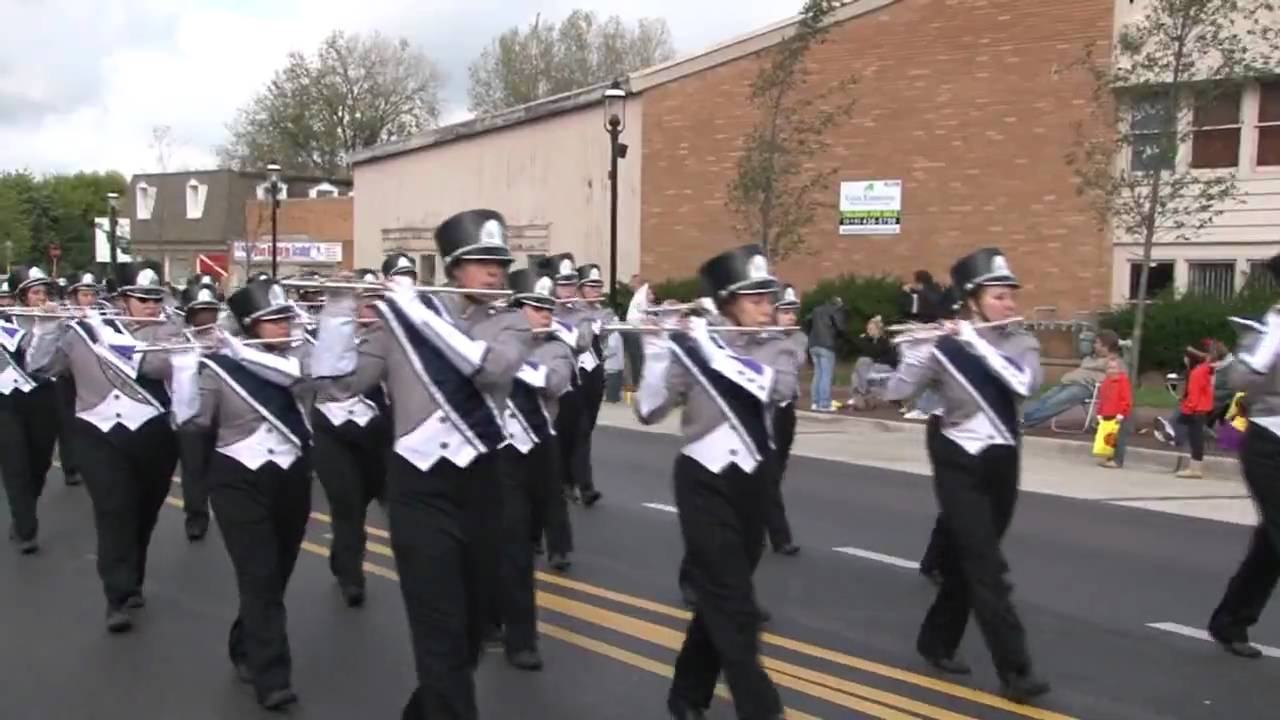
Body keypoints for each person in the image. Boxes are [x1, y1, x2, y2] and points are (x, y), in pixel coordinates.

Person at [309, 209, 531, 720]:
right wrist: (341, 310)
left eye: (499, 262)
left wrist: (416, 313)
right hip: (418, 488)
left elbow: (492, 371)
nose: (495, 272)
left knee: (473, 630)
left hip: (482, 483)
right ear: (454, 269)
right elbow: (339, 382)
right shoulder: (397, 322)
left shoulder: (511, 322)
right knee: (440, 628)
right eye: (480, 262)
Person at [635, 244, 794, 720]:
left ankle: (686, 694)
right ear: (728, 303)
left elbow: (779, 389)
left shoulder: (780, 344)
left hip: (753, 479)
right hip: (702, 480)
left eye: (770, 296)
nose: (768, 306)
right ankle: (761, 708)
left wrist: (709, 346)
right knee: (733, 602)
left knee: (721, 597)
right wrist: (658, 349)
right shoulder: (692, 344)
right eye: (756, 298)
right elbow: (648, 409)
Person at [884, 247, 1050, 703]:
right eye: (999, 297)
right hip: (955, 451)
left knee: (971, 557)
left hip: (1001, 454)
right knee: (986, 564)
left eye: (1011, 296)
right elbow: (899, 393)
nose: (1010, 305)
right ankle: (1016, 671)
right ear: (973, 301)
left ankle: (935, 641)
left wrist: (974, 343)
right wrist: (916, 355)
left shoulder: (1020, 342)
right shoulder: (946, 344)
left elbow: (1025, 384)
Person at [173, 279, 313, 711]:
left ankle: (244, 639)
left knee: (276, 575)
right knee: (259, 574)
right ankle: (273, 678)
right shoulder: (219, 368)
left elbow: (318, 386)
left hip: (291, 475)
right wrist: (184, 373)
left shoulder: (303, 358)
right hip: (238, 478)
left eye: (285, 317)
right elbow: (194, 423)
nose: (284, 325)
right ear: (252, 326)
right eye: (273, 320)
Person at [26, 262, 183, 631]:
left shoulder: (172, 331)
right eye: (141, 299)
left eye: (154, 299)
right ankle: (116, 595)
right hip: (98, 435)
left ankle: (134, 577)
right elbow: (40, 366)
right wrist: (48, 326)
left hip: (155, 435)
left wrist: (138, 340)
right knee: (115, 510)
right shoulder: (83, 332)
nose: (150, 305)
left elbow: (161, 367)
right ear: (122, 300)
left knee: (144, 514)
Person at [491, 268, 576, 670]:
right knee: (506, 546)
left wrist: (508, 358)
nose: (546, 315)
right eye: (536, 308)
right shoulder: (490, 340)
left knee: (522, 544)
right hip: (500, 452)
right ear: (516, 309)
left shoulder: (556, 349)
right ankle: (519, 638)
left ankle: (498, 616)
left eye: (548, 308)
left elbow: (554, 383)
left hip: (540, 452)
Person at [1208, 254, 1280, 659]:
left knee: (1271, 543)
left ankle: (1230, 620)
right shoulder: (1269, 327)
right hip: (1270, 441)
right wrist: (1266, 346)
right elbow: (1236, 379)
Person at [310, 268, 392, 607]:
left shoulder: (394, 340)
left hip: (379, 433)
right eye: (366, 302)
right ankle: (350, 574)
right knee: (347, 506)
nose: (371, 310)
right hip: (332, 432)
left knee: (392, 502)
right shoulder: (325, 335)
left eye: (378, 303)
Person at [0, 266, 61, 555]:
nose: (41, 297)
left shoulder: (58, 319)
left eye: (44, 292)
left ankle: (26, 508)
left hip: (42, 397)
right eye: (35, 292)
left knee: (40, 462)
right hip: (6, 401)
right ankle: (26, 528)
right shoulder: (6, 321)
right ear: (21, 295)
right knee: (15, 464)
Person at [175, 277, 224, 541]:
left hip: (224, 416)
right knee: (193, 470)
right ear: (190, 314)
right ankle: (196, 516)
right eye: (201, 311)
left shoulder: (229, 340)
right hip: (191, 416)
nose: (207, 316)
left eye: (211, 311)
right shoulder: (176, 340)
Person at [765, 285, 805, 556]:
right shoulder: (759, 340)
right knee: (766, 476)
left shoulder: (798, 339)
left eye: (793, 311)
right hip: (764, 411)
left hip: (786, 411)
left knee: (774, 475)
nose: (791, 316)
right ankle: (780, 537)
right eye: (785, 312)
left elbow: (797, 364)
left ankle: (753, 522)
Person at [1020, 329, 1121, 428]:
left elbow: (1114, 381)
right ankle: (1023, 419)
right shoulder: (1091, 358)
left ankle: (1026, 422)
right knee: (1046, 398)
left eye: (1097, 343)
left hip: (1085, 387)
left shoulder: (1114, 362)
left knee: (1056, 402)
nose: (1094, 345)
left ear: (1106, 346)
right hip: (1069, 383)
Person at [805, 296, 845, 412]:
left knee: (818, 373)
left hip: (813, 344)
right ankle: (824, 403)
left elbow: (807, 321)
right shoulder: (835, 311)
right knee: (826, 375)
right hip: (827, 344)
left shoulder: (816, 310)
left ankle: (815, 402)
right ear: (837, 304)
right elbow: (840, 327)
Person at [849, 314, 897, 408]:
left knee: (861, 363)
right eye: (867, 329)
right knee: (855, 374)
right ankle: (864, 401)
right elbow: (865, 351)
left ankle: (863, 395)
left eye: (870, 329)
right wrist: (864, 339)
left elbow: (875, 353)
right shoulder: (870, 340)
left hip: (887, 366)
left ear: (877, 330)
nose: (868, 331)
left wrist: (864, 339)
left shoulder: (884, 340)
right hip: (873, 366)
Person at [1095, 355, 1133, 469]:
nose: (1111, 370)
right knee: (1109, 437)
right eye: (1109, 368)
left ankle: (1117, 461)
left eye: (1114, 368)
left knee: (1119, 439)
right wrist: (1099, 413)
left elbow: (1126, 399)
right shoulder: (1106, 383)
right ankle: (1109, 458)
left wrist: (1122, 413)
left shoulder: (1122, 381)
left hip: (1119, 415)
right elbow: (1102, 399)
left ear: (1120, 369)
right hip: (1107, 414)